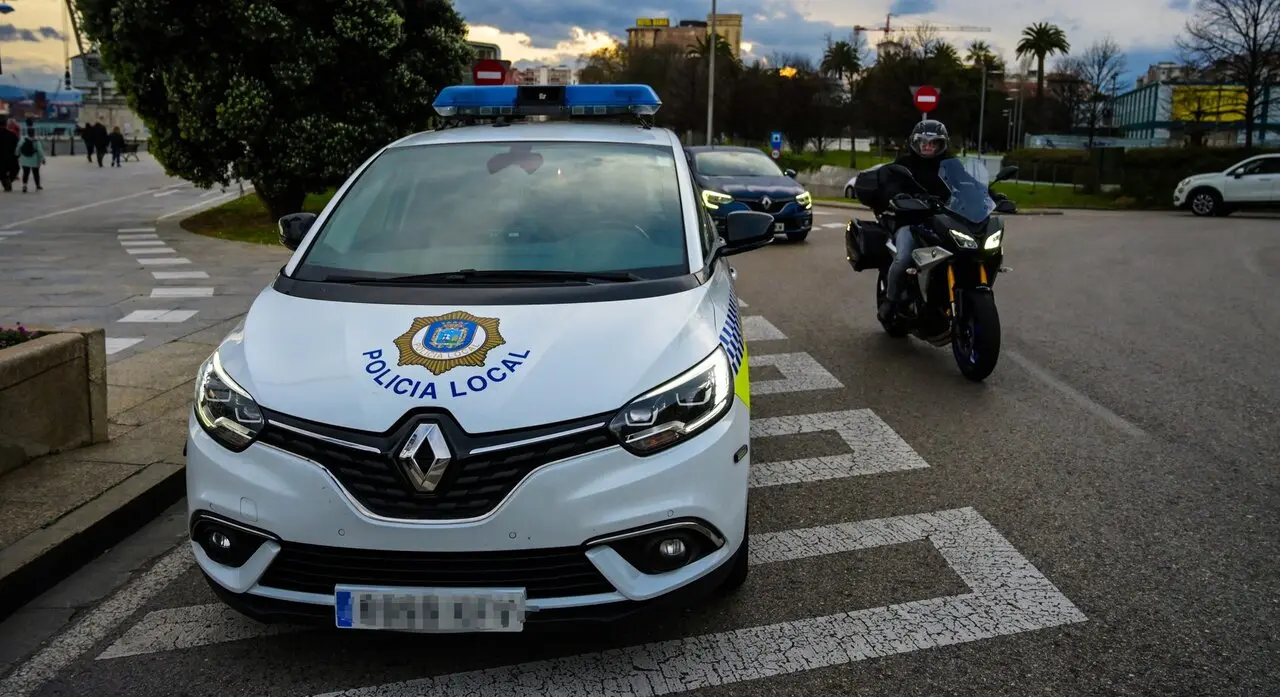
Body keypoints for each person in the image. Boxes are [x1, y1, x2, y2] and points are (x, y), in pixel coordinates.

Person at [878, 119, 957, 324]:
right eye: (923, 142)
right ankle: (890, 302)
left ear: (941, 144)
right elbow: (891, 184)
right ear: (915, 142)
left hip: (943, 222)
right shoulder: (904, 164)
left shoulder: (950, 164)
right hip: (911, 223)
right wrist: (898, 196)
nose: (927, 146)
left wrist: (991, 195)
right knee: (903, 258)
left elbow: (969, 184)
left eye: (933, 143)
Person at [15, 126, 46, 193]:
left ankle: (24, 186)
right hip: (34, 160)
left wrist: (17, 154)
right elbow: (40, 150)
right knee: (36, 173)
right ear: (34, 133)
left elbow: (18, 147)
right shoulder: (36, 140)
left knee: (25, 173)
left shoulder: (23, 139)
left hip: (24, 159)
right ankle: (37, 185)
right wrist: (43, 158)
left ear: (28, 133)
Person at [0, 119, 20, 192]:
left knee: (2, 173)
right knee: (15, 169)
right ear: (6, 125)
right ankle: (8, 180)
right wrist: (17, 156)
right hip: (11, 157)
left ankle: (6, 182)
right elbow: (18, 146)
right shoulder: (12, 134)